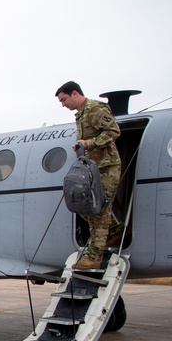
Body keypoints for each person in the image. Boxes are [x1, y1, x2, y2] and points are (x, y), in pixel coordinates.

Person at [55, 81, 122, 270]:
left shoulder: (94, 109)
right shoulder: (82, 114)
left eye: (64, 99)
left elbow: (113, 131)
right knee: (85, 207)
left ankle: (94, 257)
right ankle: (116, 231)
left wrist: (88, 144)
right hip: (94, 168)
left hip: (107, 166)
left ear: (75, 93)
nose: (63, 104)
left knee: (98, 210)